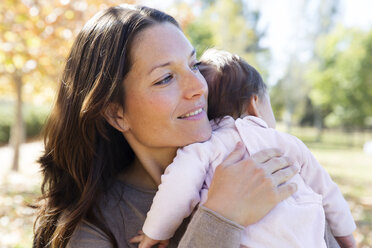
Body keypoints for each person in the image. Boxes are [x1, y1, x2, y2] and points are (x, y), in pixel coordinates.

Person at [32, 4, 337, 248]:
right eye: (165, 78)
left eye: (193, 65)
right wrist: (222, 217)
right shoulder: (97, 228)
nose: (198, 87)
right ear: (116, 114)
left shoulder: (256, 166)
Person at [137, 49, 357, 248]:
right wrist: (346, 238)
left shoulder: (204, 148)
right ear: (255, 104)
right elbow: (327, 192)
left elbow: (177, 188)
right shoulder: (286, 143)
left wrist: (155, 232)